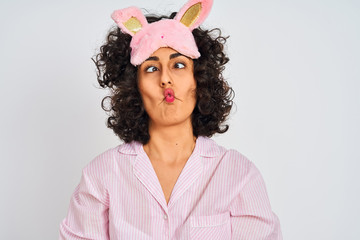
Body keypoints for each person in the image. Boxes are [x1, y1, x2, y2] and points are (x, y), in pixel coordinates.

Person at [59, 0, 282, 239]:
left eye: (178, 65)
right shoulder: (100, 176)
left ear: (199, 79)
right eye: (151, 69)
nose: (165, 79)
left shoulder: (238, 174)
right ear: (134, 87)